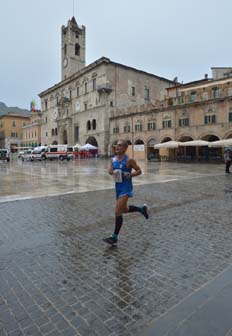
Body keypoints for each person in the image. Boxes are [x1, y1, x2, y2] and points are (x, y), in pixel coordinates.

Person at [103, 140, 149, 245]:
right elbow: (110, 170)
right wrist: (110, 170)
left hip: (126, 187)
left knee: (117, 211)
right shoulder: (113, 159)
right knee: (124, 209)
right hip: (118, 187)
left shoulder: (129, 160)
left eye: (120, 146)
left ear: (125, 148)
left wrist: (131, 175)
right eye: (117, 145)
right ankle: (141, 209)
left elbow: (139, 171)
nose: (117, 147)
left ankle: (114, 237)